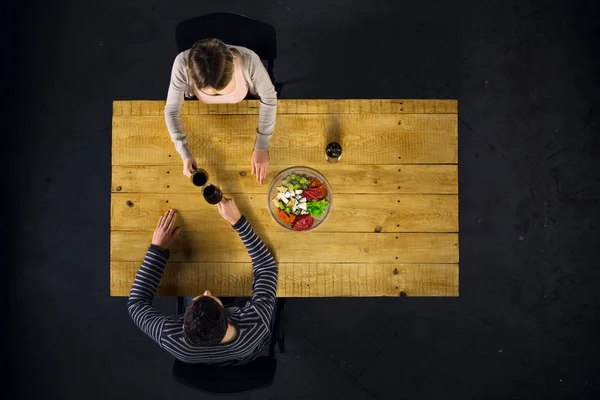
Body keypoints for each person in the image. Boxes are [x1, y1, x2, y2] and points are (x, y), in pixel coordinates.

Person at [128, 201, 278, 365]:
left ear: (183, 325)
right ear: (228, 319)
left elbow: (136, 304)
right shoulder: (255, 325)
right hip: (248, 350)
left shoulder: (171, 337)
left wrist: (157, 250)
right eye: (211, 297)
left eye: (199, 298)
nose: (207, 291)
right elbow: (266, 267)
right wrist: (238, 221)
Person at [165, 38, 277, 185]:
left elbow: (269, 99)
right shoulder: (181, 63)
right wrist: (184, 153)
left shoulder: (249, 60)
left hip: (246, 112)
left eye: (220, 91)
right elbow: (172, 110)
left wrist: (262, 146)